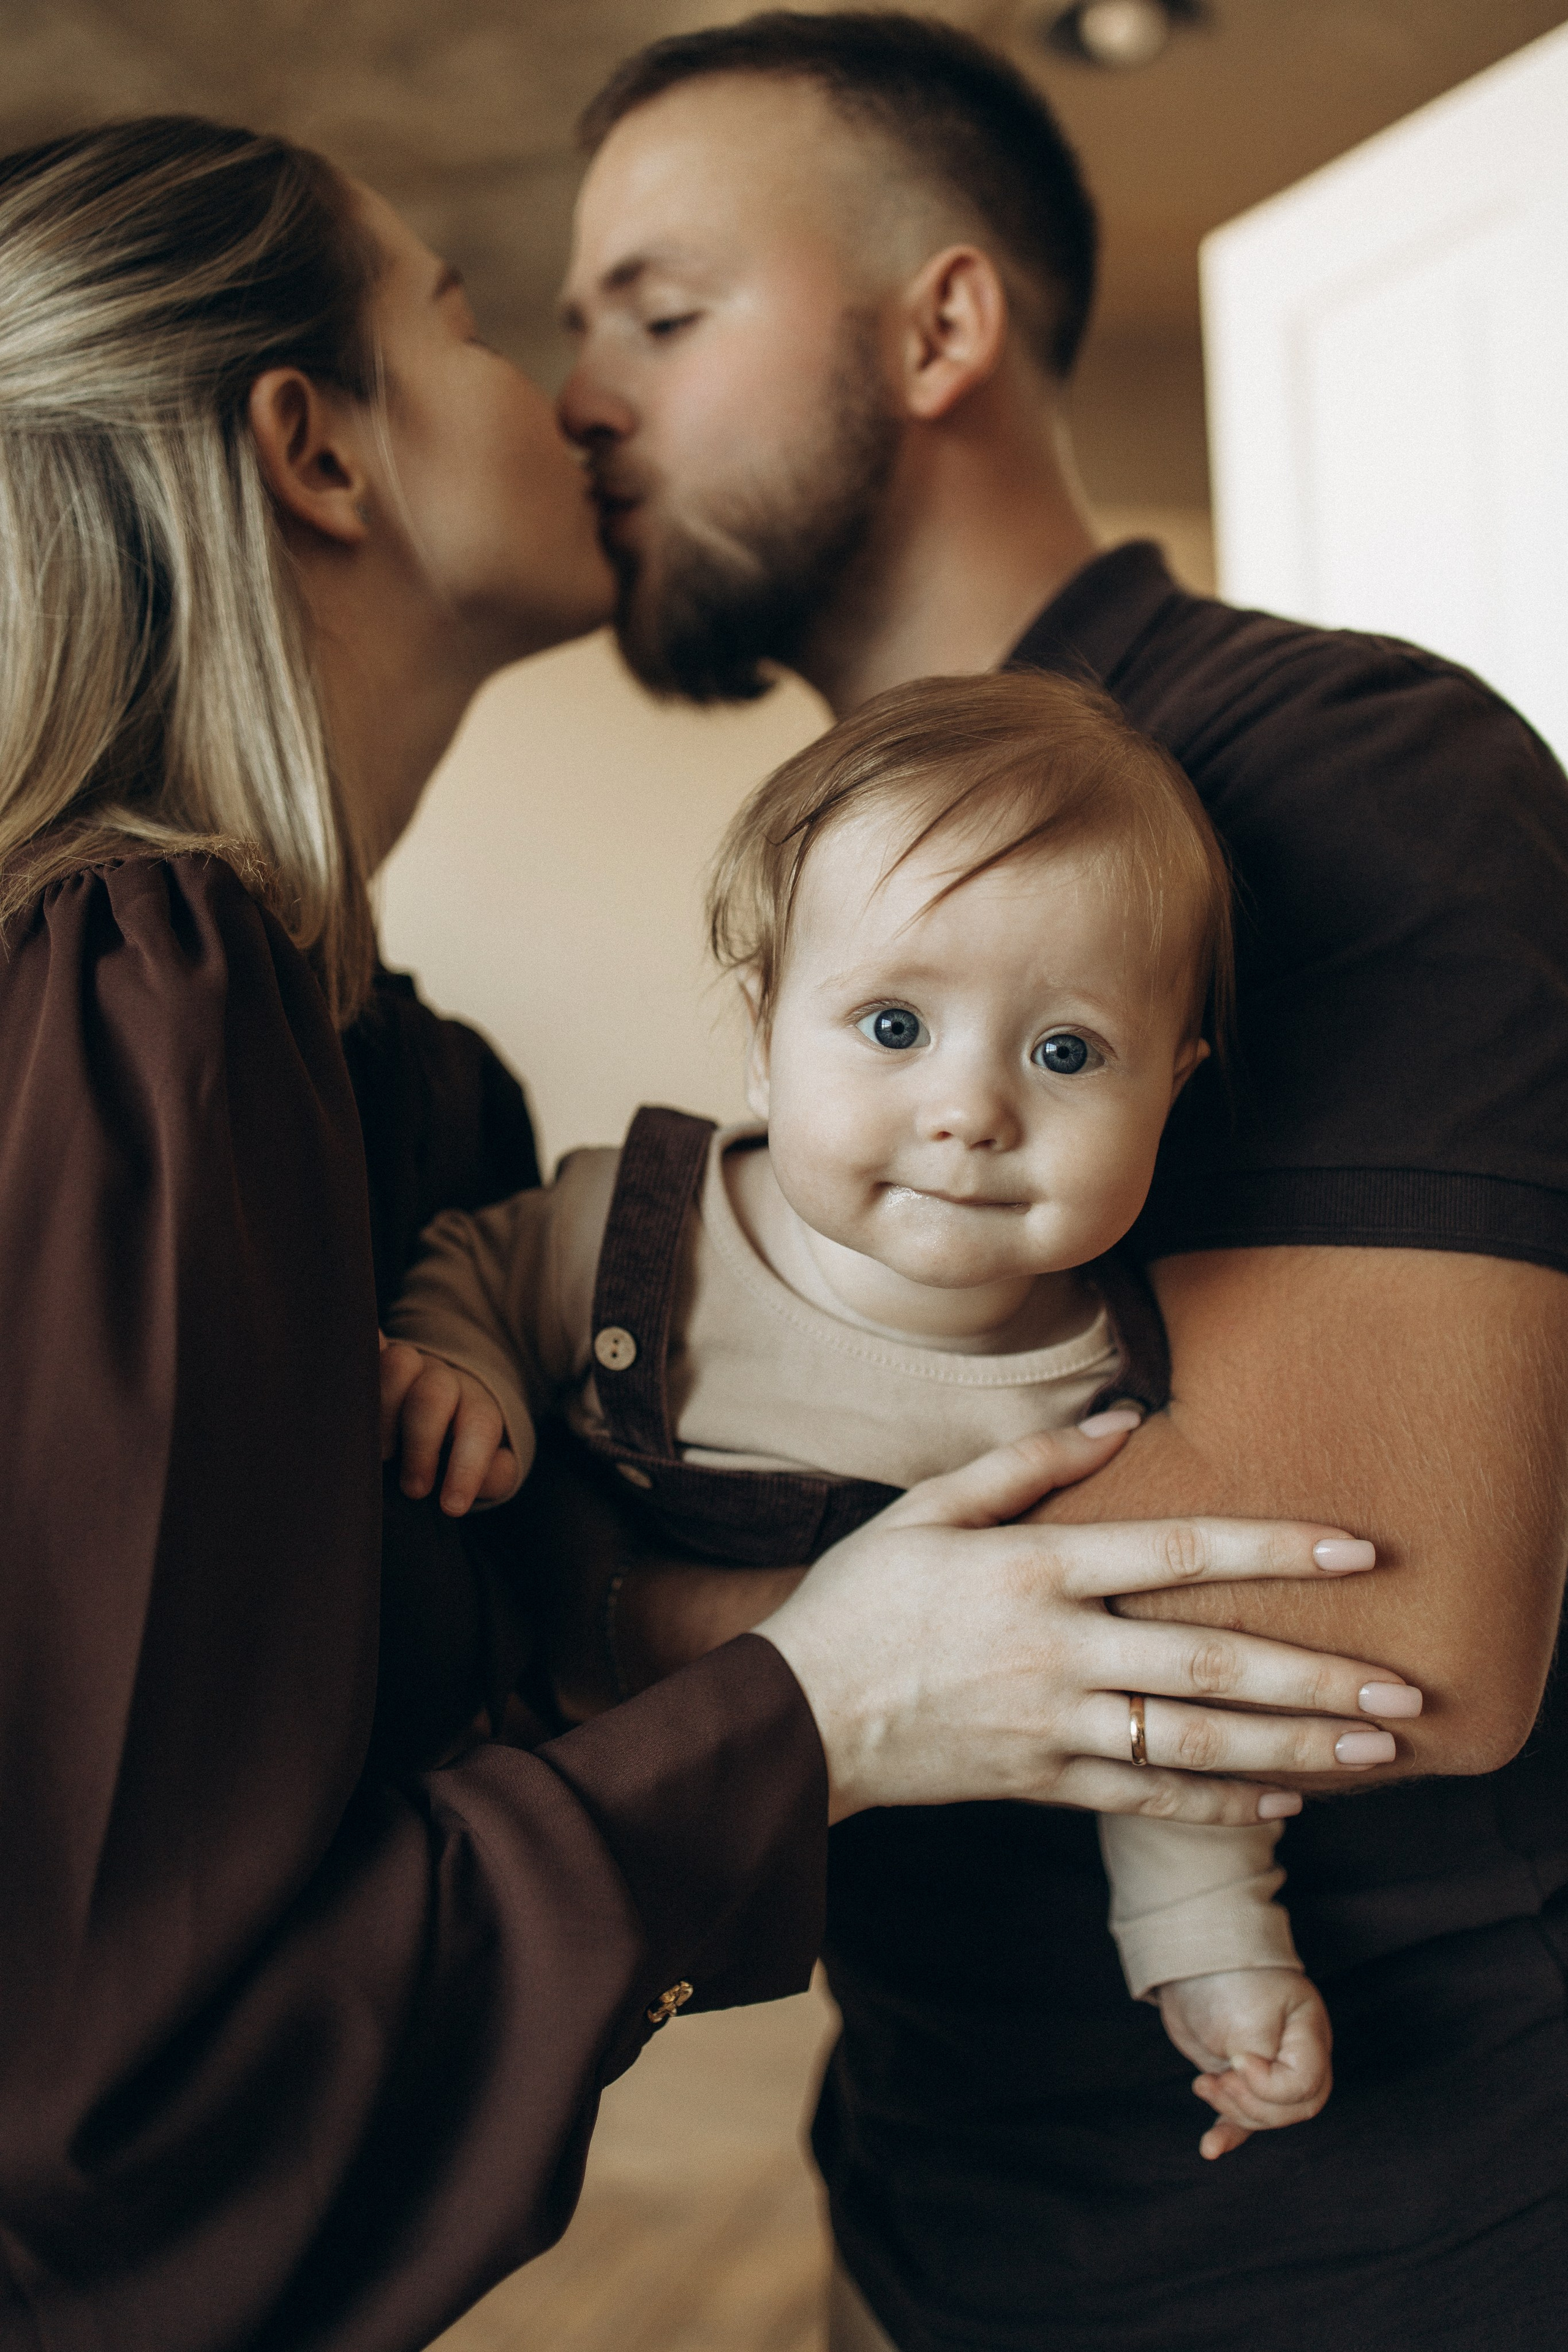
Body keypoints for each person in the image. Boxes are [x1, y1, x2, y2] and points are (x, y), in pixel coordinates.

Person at [0, 114, 1405, 2352]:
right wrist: (817, 1701)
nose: (578, 397)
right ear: (316, 452)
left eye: (648, 317)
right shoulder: (137, 1007)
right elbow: (119, 2091)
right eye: (478, 321)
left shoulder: (414, 1090)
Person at [554, 13, 1568, 2350]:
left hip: (1377, 2242)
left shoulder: (1343, 767)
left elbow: (1391, 1633)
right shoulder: (826, 896)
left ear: (941, 327)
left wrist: (597, 1627)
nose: (581, 396)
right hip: (931, 2196)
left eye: (663, 314)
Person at [382, 667, 1395, 2161]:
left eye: (1065, 1053)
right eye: (893, 1024)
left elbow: (1139, 1703)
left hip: (873, 1883)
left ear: (1174, 1087)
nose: (969, 1110)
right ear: (762, 1029)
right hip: (552, 1820)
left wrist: (1211, 1947)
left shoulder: (1104, 1402)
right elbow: (472, 1263)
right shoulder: (641, 1234)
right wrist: (455, 1363)